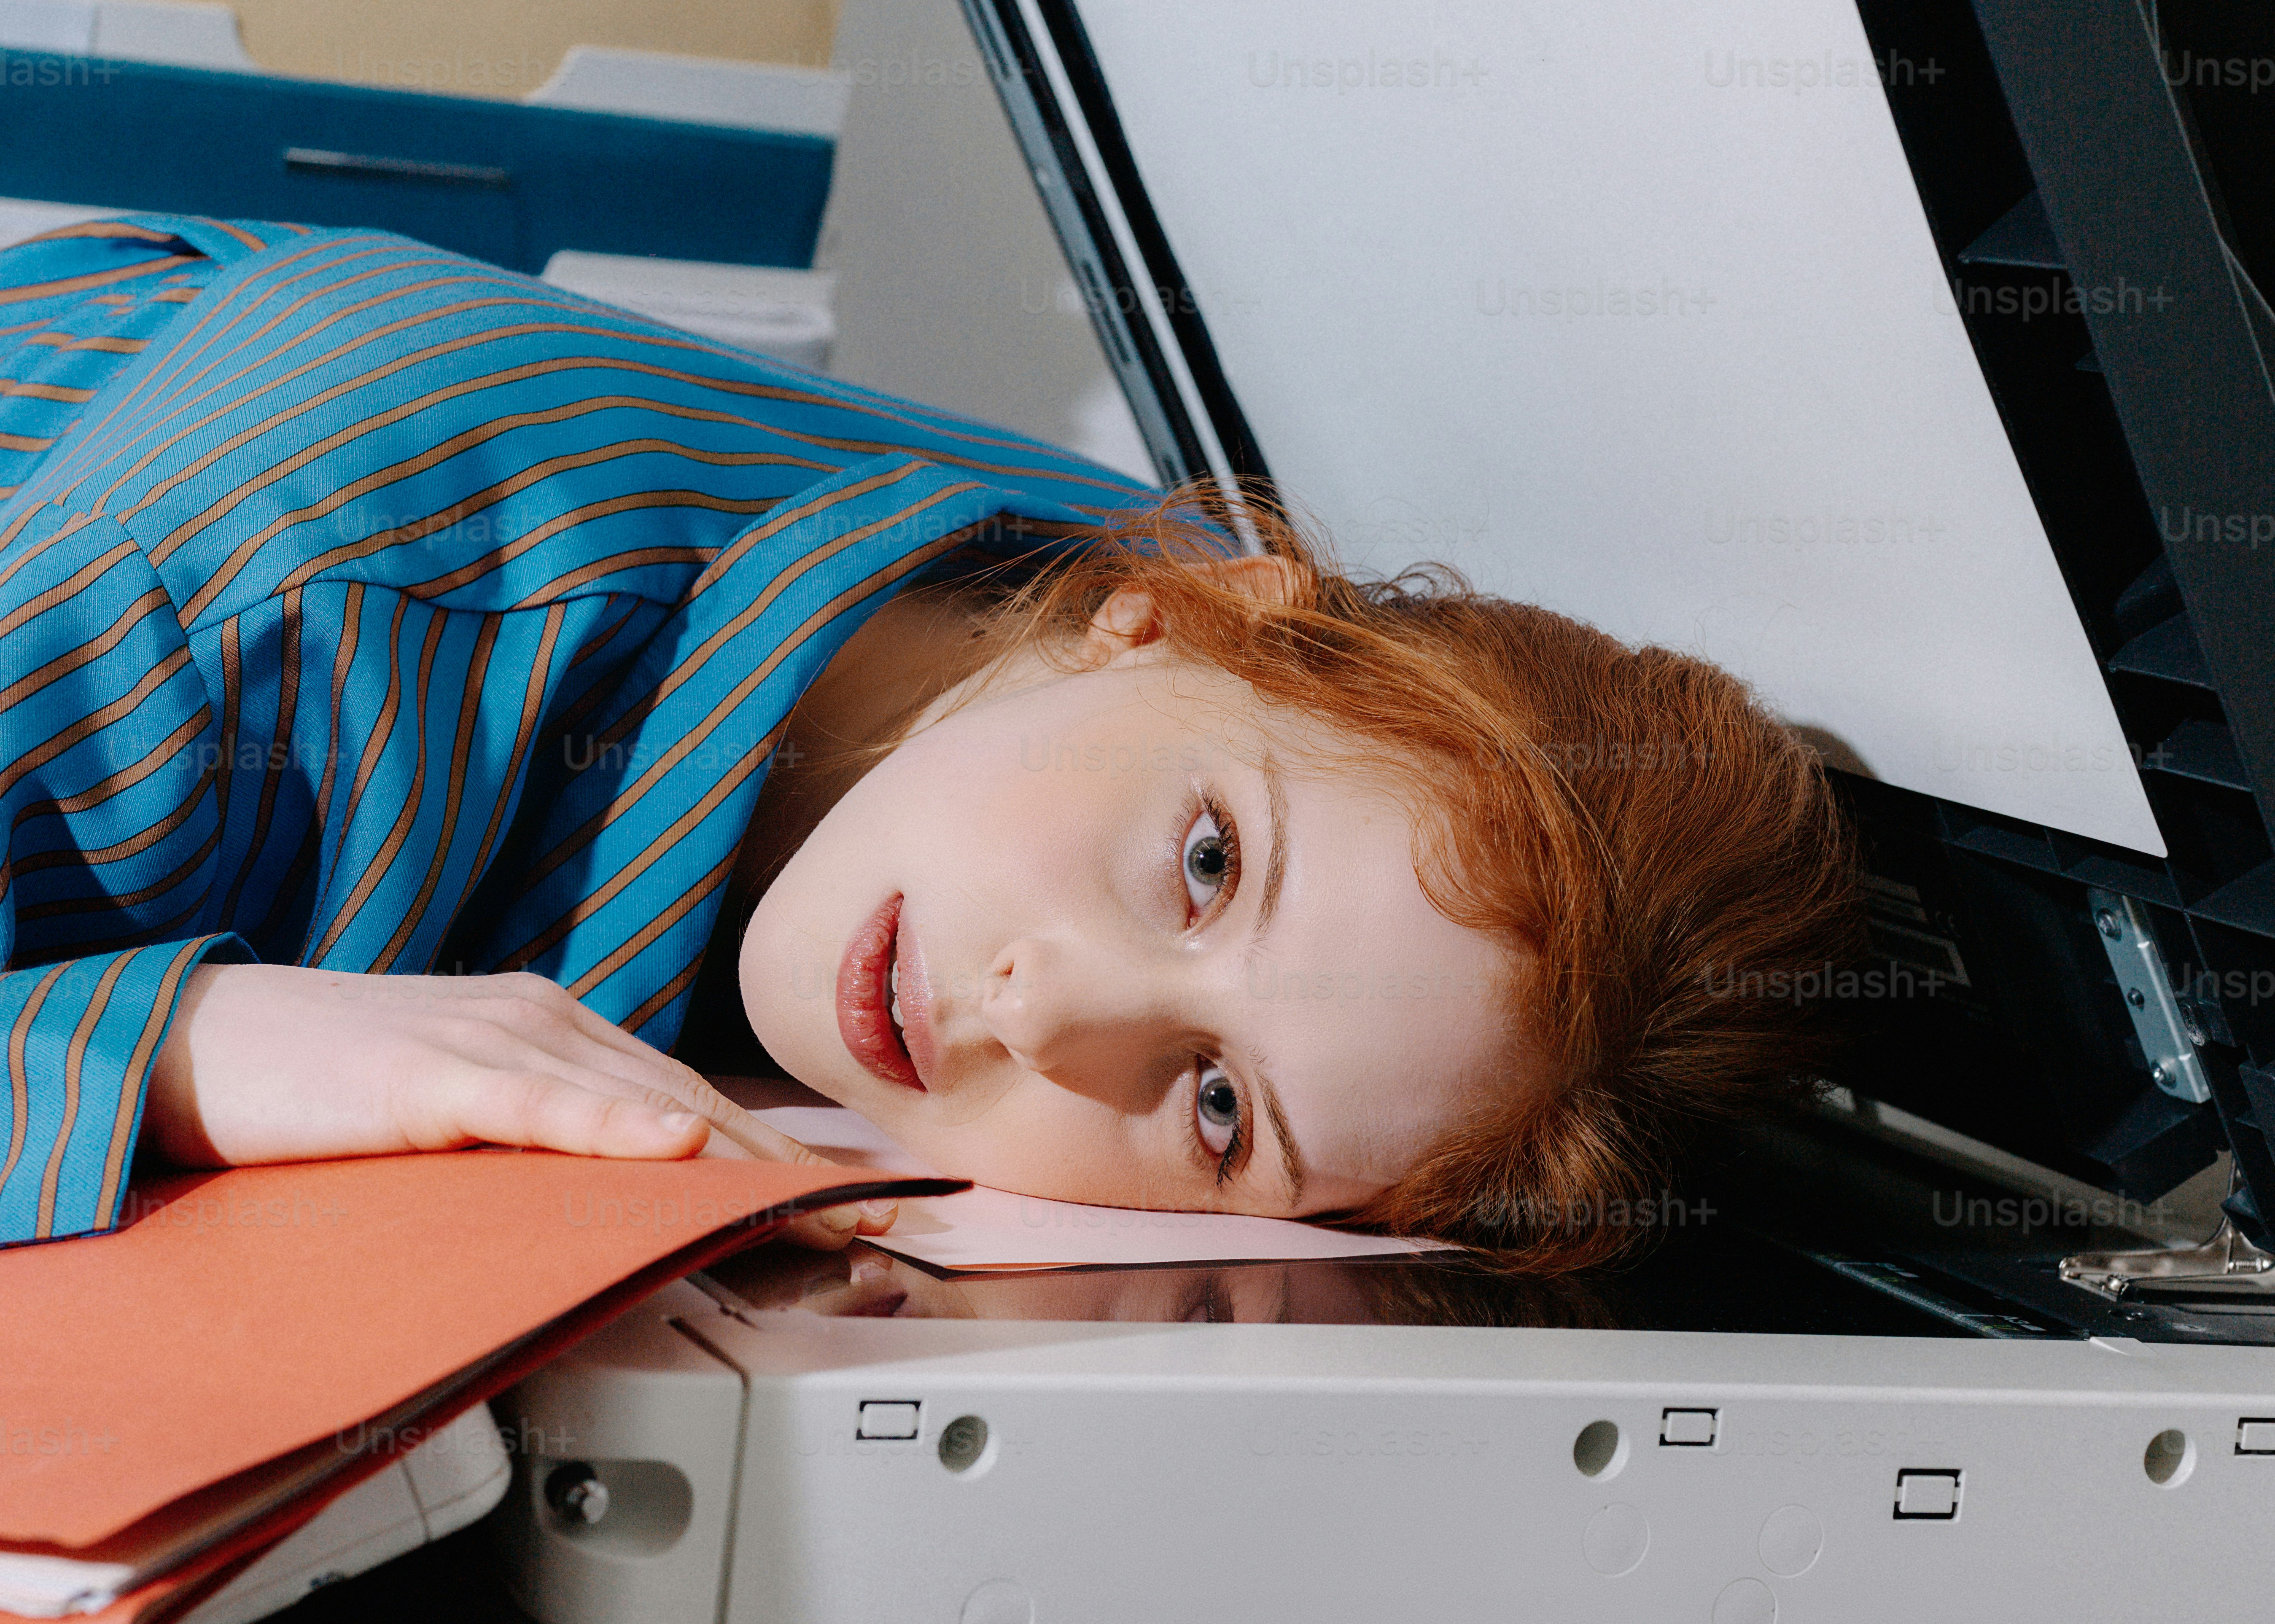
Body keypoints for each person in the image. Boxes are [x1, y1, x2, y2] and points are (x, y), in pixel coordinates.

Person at [0, 215, 1858, 1269]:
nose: (1048, 1019)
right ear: (1178, 609)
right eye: (1207, 864)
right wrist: (184, 1047)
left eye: (1217, 1106)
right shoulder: (258, 592)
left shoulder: (1096, 654)